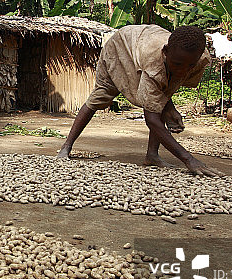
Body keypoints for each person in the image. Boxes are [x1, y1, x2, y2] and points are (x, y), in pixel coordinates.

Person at [57, 25, 223, 177]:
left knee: (159, 102)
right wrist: (188, 159)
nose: (183, 71)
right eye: (178, 64)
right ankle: (66, 147)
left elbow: (163, 92)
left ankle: (152, 155)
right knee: (101, 95)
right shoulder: (154, 64)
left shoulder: (199, 58)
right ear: (165, 52)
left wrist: (169, 107)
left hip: (143, 43)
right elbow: (152, 119)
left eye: (190, 66)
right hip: (122, 47)